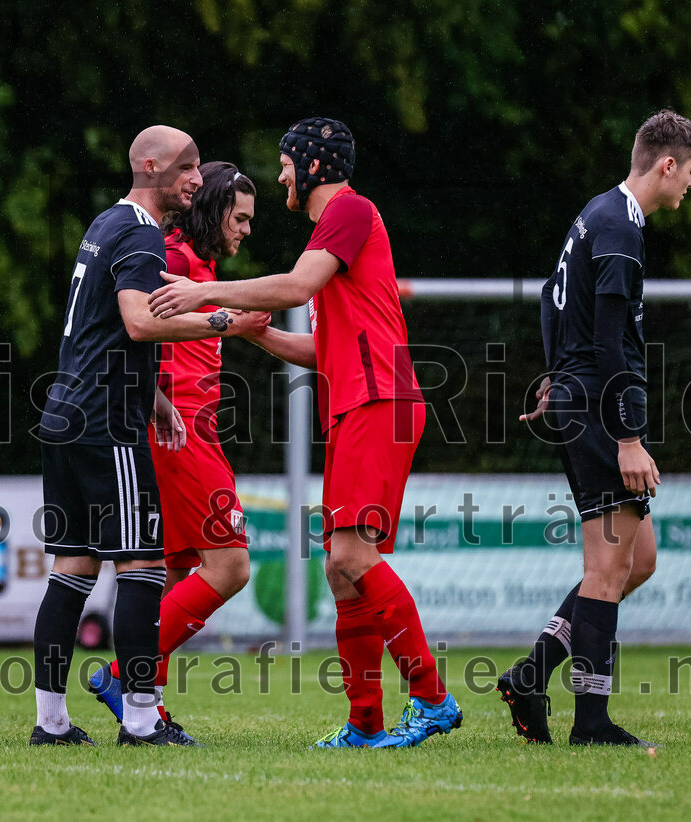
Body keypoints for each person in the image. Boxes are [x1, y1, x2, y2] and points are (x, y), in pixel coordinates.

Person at [149, 117, 462, 748]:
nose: (282, 174)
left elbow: (294, 287)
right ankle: (365, 724)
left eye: (287, 162)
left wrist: (200, 294)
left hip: (380, 400)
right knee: (343, 571)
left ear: (314, 165)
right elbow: (323, 348)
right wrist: (257, 332)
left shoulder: (348, 212)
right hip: (360, 401)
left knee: (350, 556)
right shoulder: (333, 234)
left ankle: (430, 697)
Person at [31, 126, 267, 747]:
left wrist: (155, 398)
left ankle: (50, 722)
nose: (196, 176)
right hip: (107, 420)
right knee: (143, 569)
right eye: (187, 167)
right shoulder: (140, 233)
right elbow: (137, 322)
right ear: (153, 166)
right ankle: (139, 719)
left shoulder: (102, 225)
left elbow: (103, 328)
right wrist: (221, 318)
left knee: (73, 570)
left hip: (68, 410)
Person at [499, 109, 691, 746]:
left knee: (636, 560)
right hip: (599, 406)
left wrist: (560, 375)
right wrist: (627, 437)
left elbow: (547, 295)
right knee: (609, 568)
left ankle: (533, 673)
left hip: (581, 394)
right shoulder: (620, 225)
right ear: (666, 164)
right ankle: (590, 722)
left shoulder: (597, 212)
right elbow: (613, 342)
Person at [87, 162, 263, 741]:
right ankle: (121, 677)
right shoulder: (175, 258)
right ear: (214, 209)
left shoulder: (201, 266)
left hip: (185, 427)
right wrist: (160, 398)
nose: (244, 230)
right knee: (231, 566)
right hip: (179, 431)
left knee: (175, 571)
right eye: (239, 218)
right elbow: (132, 326)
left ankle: (145, 704)